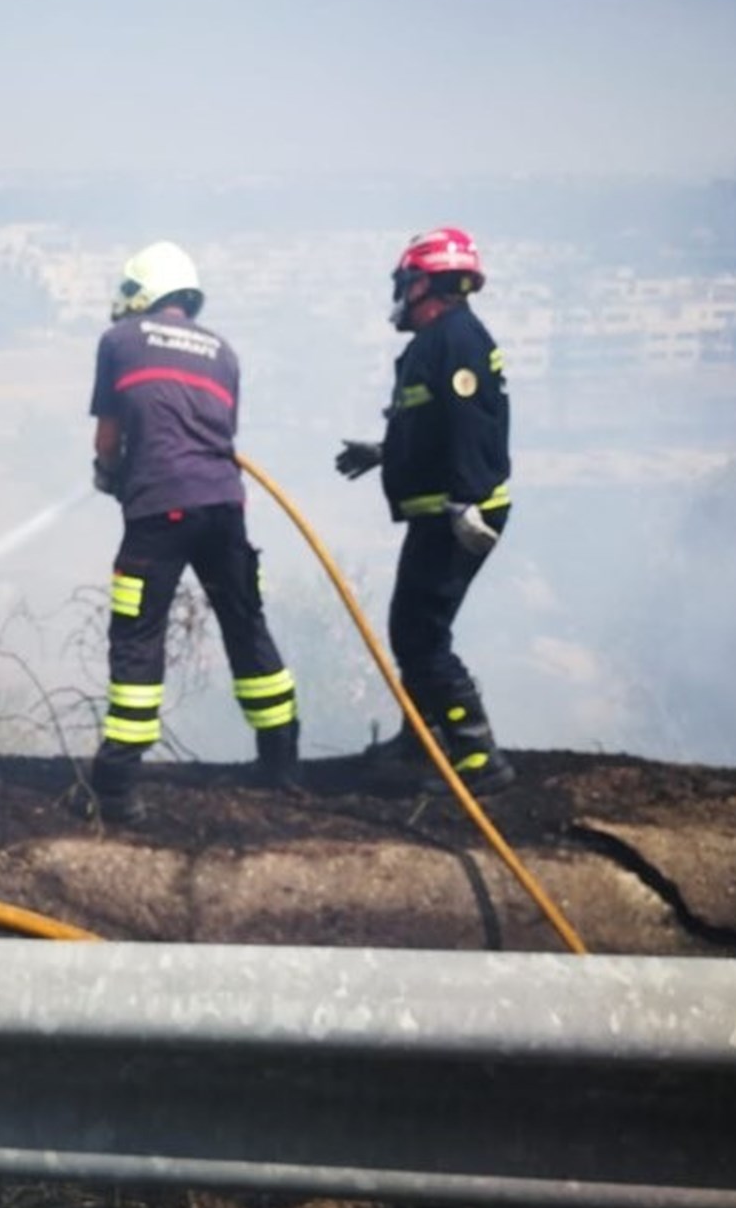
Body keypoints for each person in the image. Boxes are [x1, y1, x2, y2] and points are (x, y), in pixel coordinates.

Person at [83, 240, 300, 825]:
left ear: (143, 293)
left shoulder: (119, 341)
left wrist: (110, 477)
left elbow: (109, 437)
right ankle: (281, 759)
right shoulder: (224, 352)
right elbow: (218, 433)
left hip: (158, 512)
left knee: (137, 633)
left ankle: (119, 785)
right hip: (224, 506)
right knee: (244, 622)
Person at [335, 226, 515, 796]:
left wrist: (467, 502)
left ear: (425, 283)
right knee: (409, 626)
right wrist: (385, 452)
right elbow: (433, 427)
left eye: (407, 280)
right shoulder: (439, 341)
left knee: (422, 635)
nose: (402, 291)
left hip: (459, 512)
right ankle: (423, 737)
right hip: (442, 510)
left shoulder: (454, 340)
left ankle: (478, 758)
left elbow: (468, 426)